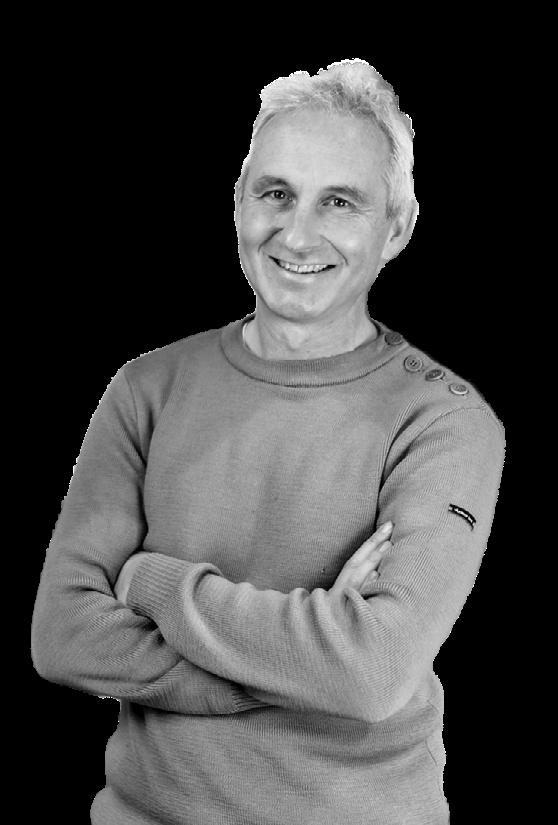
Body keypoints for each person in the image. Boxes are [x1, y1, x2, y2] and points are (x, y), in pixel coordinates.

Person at [31, 59, 505, 824]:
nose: (298, 233)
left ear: (397, 227)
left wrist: (152, 581)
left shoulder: (446, 422)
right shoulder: (146, 387)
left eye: (339, 201)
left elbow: (371, 673)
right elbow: (63, 635)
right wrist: (303, 658)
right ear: (238, 203)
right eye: (276, 193)